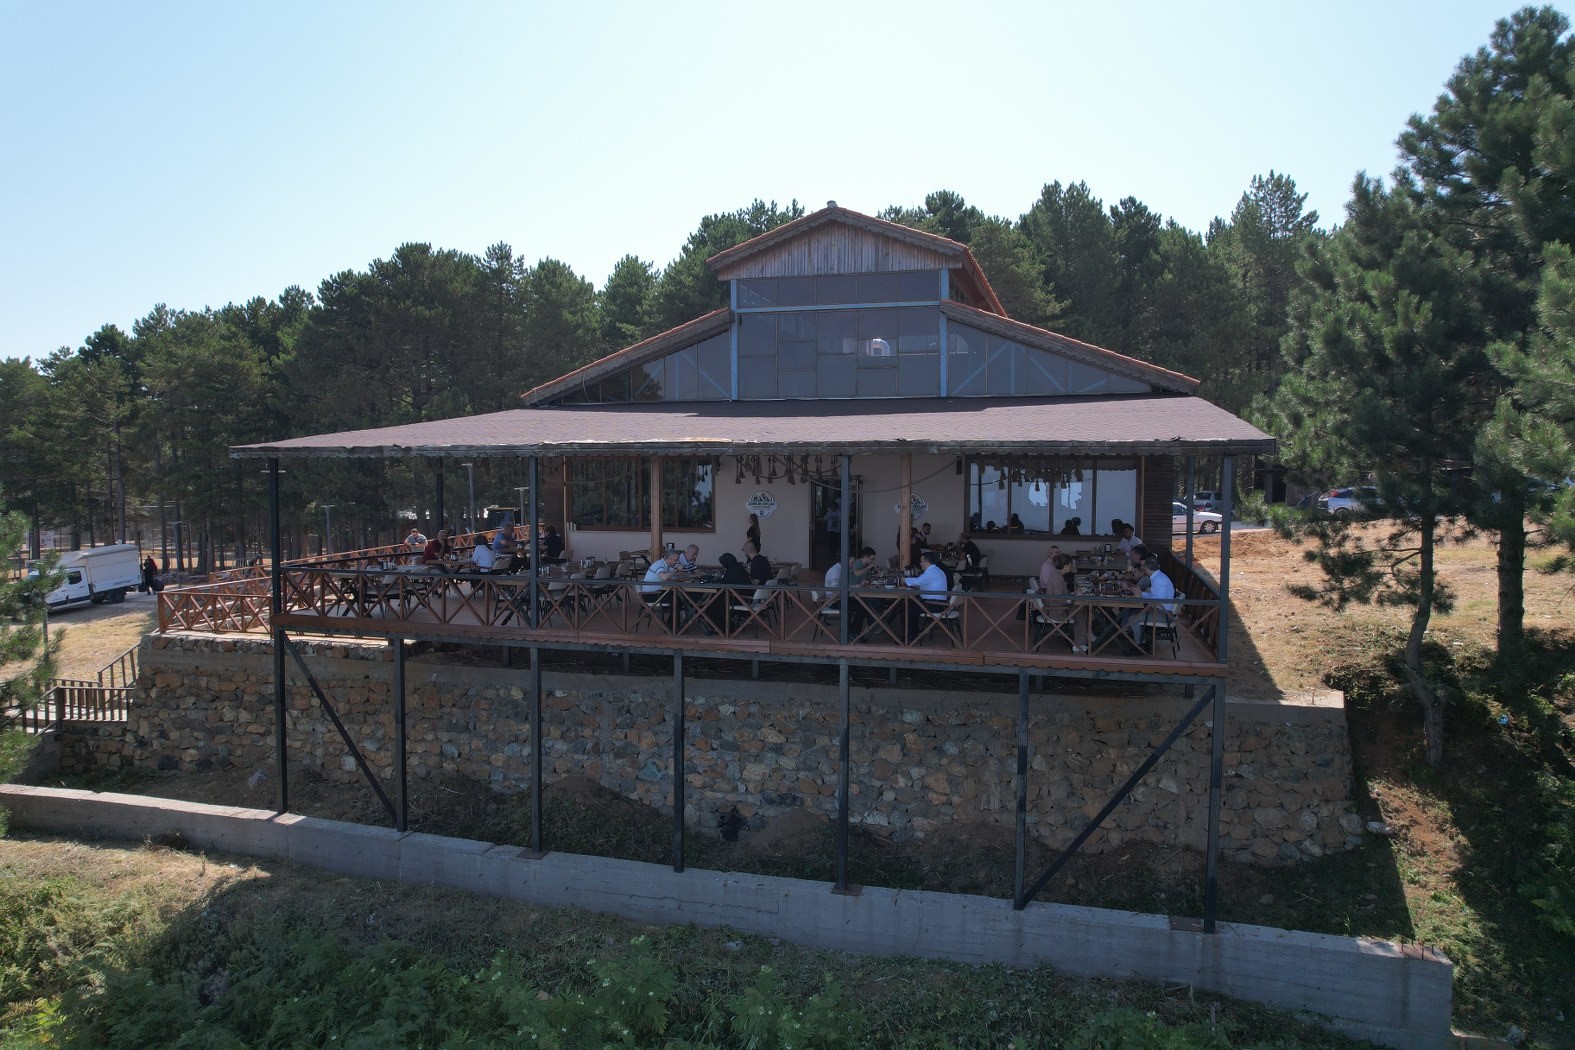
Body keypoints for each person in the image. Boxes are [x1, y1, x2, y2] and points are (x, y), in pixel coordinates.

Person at [824, 546, 877, 637]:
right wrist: (850, 590)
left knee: (865, 605)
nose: (853, 566)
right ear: (845, 561)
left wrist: (856, 586)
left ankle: (852, 631)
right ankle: (852, 632)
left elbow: (842, 587)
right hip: (834, 600)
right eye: (852, 563)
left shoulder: (842, 569)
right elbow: (835, 590)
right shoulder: (836, 571)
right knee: (863, 607)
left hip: (841, 598)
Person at [902, 550, 950, 641]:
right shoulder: (935, 570)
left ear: (926, 562)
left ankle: (909, 638)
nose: (920, 564)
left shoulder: (932, 572)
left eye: (921, 561)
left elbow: (919, 581)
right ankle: (914, 632)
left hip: (935, 604)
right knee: (907, 604)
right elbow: (923, 581)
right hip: (938, 603)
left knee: (907, 609)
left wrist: (904, 580)